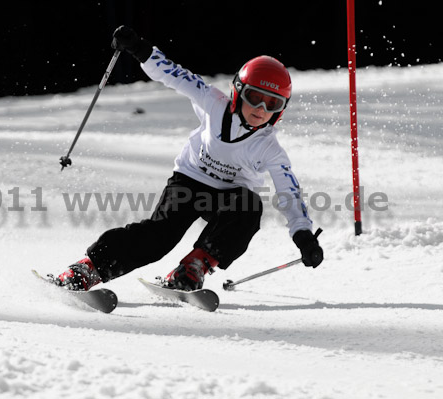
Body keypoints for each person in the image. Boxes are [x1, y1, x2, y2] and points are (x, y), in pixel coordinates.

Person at [55, 26, 323, 292]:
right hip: (189, 181)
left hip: (230, 196)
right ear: (238, 92)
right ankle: (88, 268)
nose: (261, 110)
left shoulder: (270, 149)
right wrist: (140, 48)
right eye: (254, 98)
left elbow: (290, 193)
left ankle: (193, 267)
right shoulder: (212, 102)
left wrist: (304, 236)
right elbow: (175, 74)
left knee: (249, 210)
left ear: (280, 110)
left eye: (272, 104)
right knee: (159, 237)